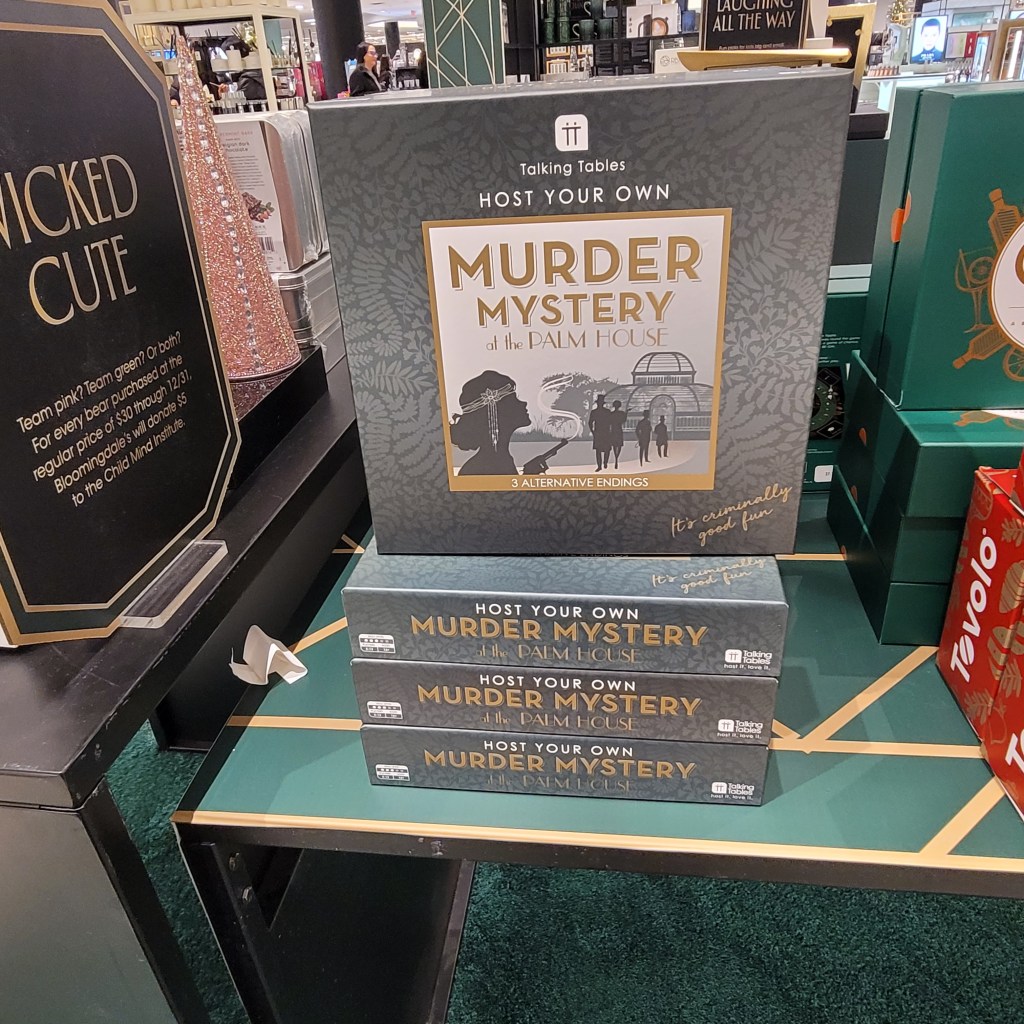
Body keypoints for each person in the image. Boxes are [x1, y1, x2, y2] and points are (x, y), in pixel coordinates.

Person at [450, 371, 530, 476]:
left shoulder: (500, 459)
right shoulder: (482, 467)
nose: (524, 403)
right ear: (496, 411)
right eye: (514, 399)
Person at [588, 394, 613, 471]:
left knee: (602, 450)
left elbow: (590, 423)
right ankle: (601, 464)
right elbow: (590, 422)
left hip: (602, 432)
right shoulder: (606, 412)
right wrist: (593, 431)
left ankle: (603, 464)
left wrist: (593, 431)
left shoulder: (596, 412)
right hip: (602, 432)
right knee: (601, 450)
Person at [609, 400, 626, 469]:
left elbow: (609, 422)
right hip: (619, 430)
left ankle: (616, 458)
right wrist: (626, 413)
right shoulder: (621, 413)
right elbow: (623, 420)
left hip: (613, 430)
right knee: (619, 445)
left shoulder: (611, 414)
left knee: (614, 445)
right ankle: (616, 458)